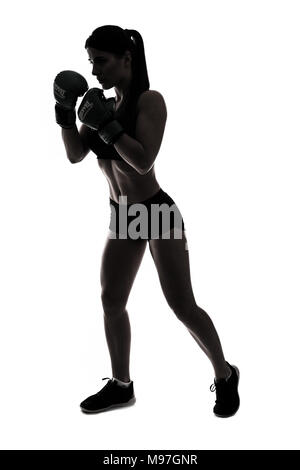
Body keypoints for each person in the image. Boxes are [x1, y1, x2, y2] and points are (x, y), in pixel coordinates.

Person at [53, 25, 240, 418]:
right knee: (111, 301)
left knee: (182, 305)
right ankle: (121, 386)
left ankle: (224, 375)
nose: (94, 70)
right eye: (91, 62)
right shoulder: (98, 103)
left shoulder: (148, 102)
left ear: (126, 59)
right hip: (122, 216)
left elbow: (142, 160)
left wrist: (107, 124)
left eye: (100, 61)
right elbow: (74, 156)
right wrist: (66, 114)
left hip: (155, 210)